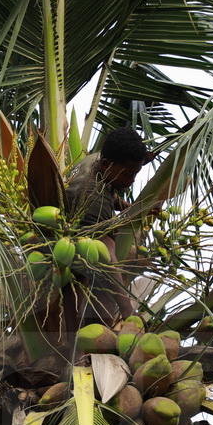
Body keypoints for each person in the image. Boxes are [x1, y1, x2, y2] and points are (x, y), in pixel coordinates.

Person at [65, 127, 152, 324]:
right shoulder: (91, 199)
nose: (132, 181)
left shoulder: (100, 160)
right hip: (70, 259)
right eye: (128, 174)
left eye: (135, 174)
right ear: (106, 164)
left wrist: (130, 208)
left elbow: (109, 191)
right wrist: (128, 311)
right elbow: (107, 256)